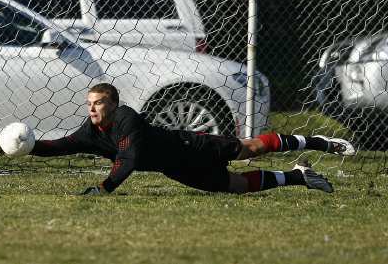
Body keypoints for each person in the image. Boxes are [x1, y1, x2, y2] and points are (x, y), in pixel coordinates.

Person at [18, 83, 355, 195]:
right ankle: (298, 177)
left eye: (98, 103)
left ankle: (318, 143)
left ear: (113, 104)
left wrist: (104, 188)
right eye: (89, 104)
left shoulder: (127, 119)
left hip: (189, 146)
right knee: (234, 187)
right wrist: (27, 148)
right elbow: (58, 146)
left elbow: (129, 160)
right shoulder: (90, 132)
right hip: (176, 168)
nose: (92, 108)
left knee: (248, 148)